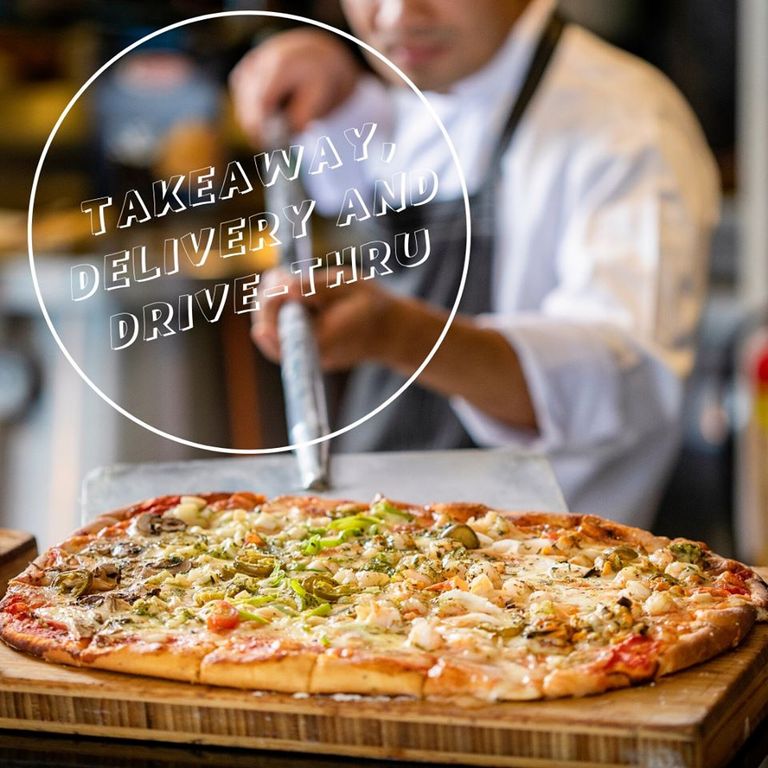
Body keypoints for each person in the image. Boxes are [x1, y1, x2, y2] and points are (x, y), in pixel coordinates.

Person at [229, 0, 720, 527]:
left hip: (542, 552)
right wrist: (343, 88)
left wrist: (398, 334)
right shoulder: (436, 86)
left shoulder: (628, 127)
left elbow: (615, 384)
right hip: (387, 530)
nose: (394, 17)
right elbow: (354, 184)